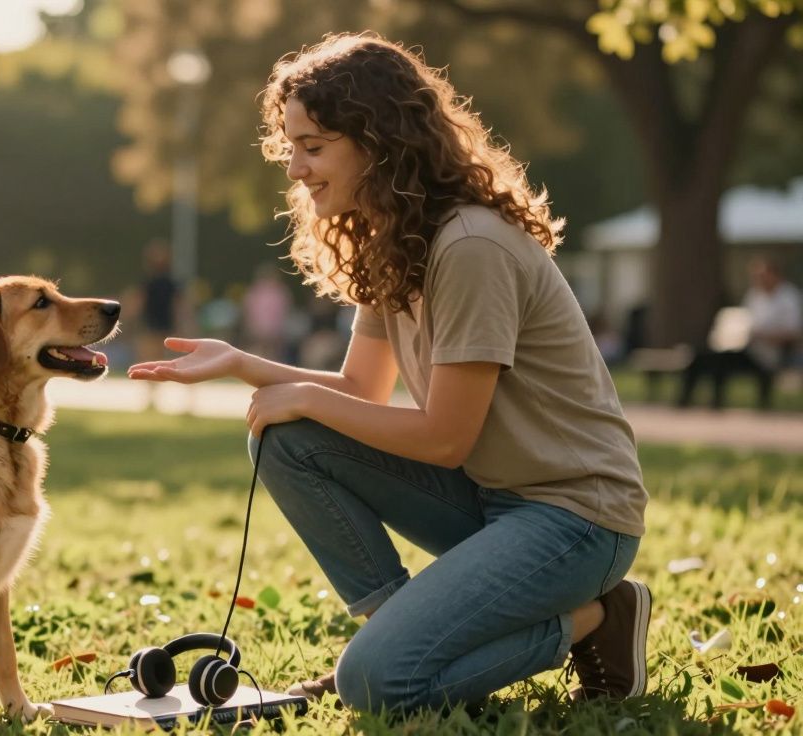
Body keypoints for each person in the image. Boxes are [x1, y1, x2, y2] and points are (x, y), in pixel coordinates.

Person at [129, 33, 650, 714]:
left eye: (313, 147)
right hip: (492, 501)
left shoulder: (468, 247)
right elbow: (359, 393)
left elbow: (443, 440)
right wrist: (241, 365)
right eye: (291, 146)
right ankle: (398, 636)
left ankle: (597, 617)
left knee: (373, 686)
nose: (294, 169)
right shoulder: (395, 242)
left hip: (577, 520)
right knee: (288, 439)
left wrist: (299, 397)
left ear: (380, 143)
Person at [677, 257, 801, 410]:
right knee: (700, 356)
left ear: (775, 275)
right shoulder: (754, 295)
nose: (757, 280)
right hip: (745, 348)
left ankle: (716, 406)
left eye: (762, 276)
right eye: (755, 276)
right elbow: (744, 320)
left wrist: (761, 336)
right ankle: (684, 404)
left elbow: (794, 333)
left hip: (770, 354)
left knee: (721, 360)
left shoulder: (789, 298)